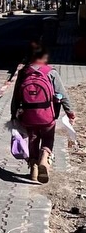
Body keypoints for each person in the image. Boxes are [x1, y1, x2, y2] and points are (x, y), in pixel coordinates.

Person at [11, 44, 75, 183]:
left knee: (33, 139)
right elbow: (63, 95)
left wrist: (13, 115)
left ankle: (33, 169)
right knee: (48, 139)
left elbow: (16, 96)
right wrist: (70, 113)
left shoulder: (23, 72)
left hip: (28, 115)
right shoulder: (51, 72)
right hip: (48, 116)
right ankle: (44, 158)